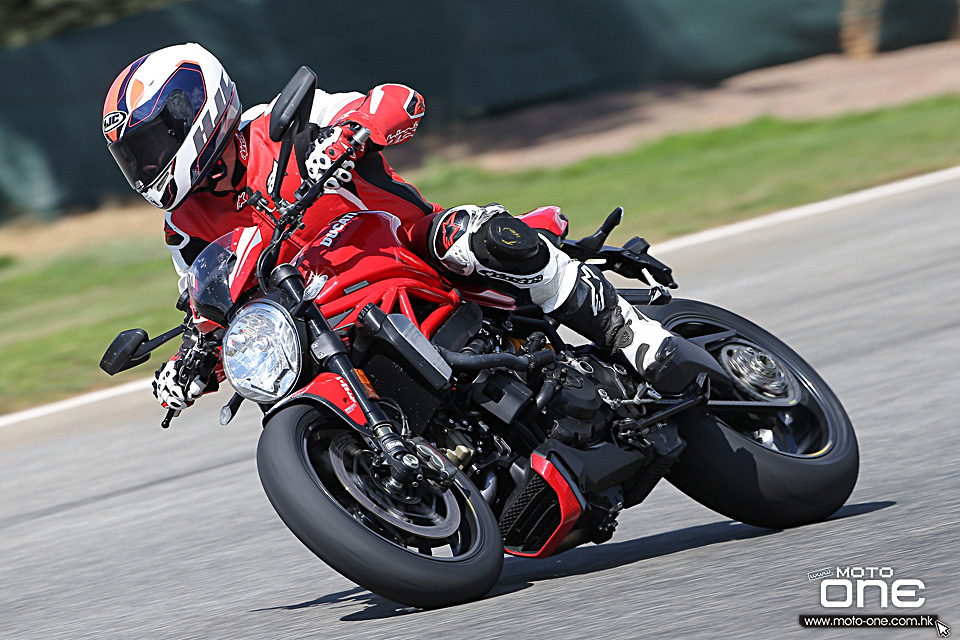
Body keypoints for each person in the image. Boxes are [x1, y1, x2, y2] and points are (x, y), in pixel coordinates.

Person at [102, 43, 676, 412]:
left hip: (406, 249)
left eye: (152, 145)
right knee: (275, 382)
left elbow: (398, 102)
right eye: (135, 155)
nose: (148, 164)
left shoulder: (285, 125)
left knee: (465, 236)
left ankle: (633, 336)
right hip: (319, 310)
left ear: (192, 113)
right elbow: (210, 298)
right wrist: (193, 362)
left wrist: (348, 135)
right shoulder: (183, 225)